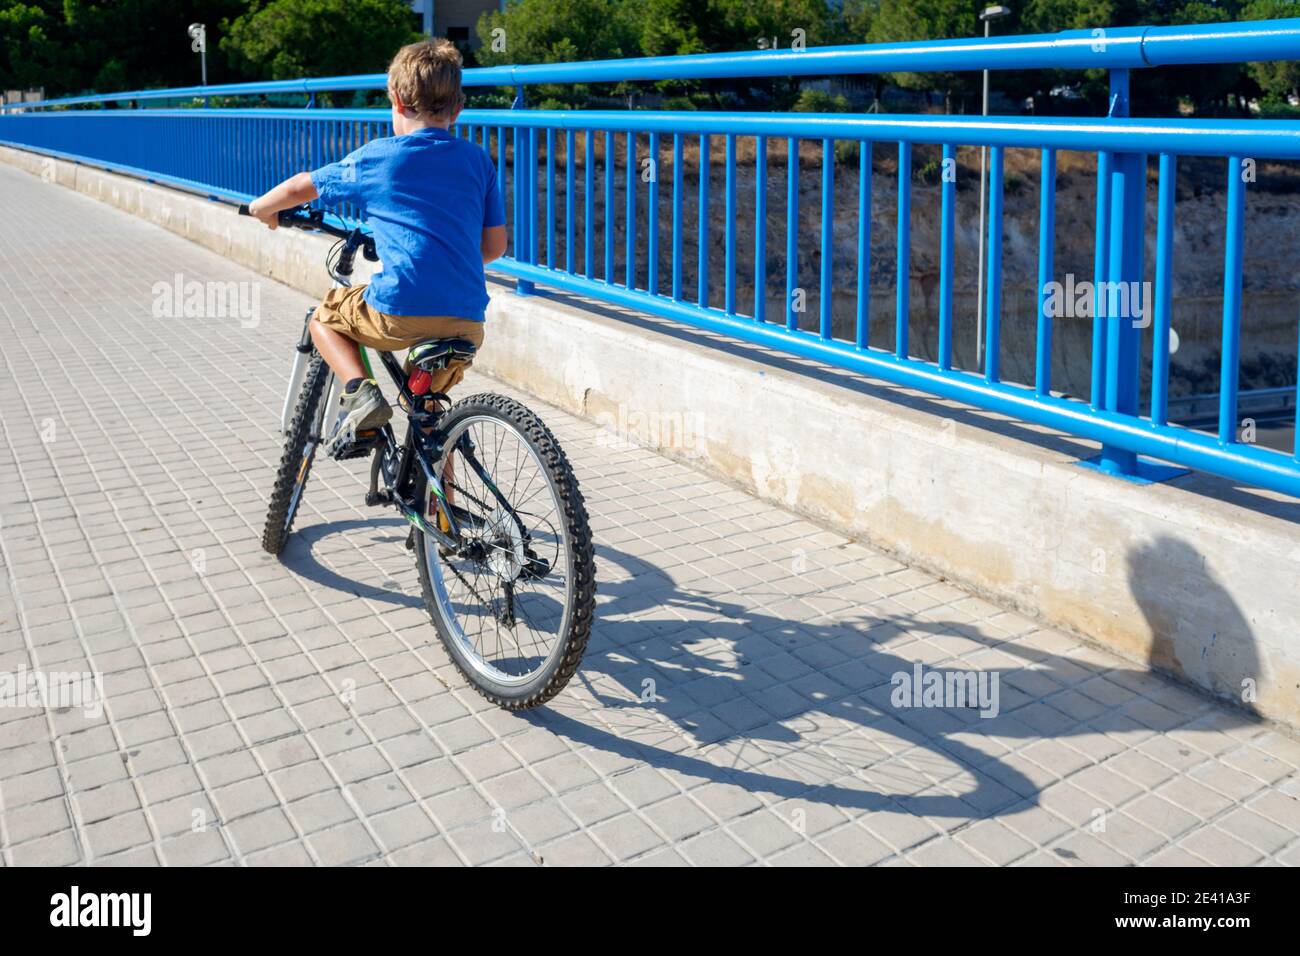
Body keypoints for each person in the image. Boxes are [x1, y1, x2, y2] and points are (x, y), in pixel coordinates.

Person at [247, 37, 507, 449]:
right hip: (467, 317)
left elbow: (303, 186)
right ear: (458, 107)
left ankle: (361, 393)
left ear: (398, 102)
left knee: (325, 316)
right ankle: (444, 510)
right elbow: (494, 248)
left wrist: (262, 207)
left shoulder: (377, 157)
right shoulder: (478, 161)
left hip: (400, 310)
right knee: (429, 414)